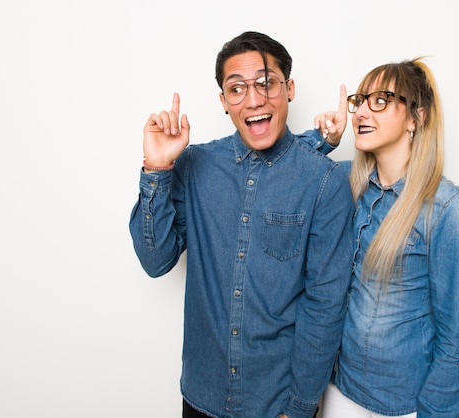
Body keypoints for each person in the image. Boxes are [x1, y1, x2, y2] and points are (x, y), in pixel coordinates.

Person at [129, 31, 354, 418]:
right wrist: (157, 167)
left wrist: (298, 409)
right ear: (223, 101)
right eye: (237, 89)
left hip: (277, 404)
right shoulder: (195, 166)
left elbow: (325, 307)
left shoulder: (323, 181)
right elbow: (155, 261)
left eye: (267, 83)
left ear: (290, 89)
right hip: (202, 395)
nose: (253, 100)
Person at [312, 58, 459, 417]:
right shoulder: (346, 185)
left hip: (400, 405)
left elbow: (456, 343)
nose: (361, 112)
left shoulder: (450, 210)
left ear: (415, 118)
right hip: (337, 390)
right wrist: (321, 141)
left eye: (381, 100)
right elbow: (284, 175)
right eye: (360, 100)